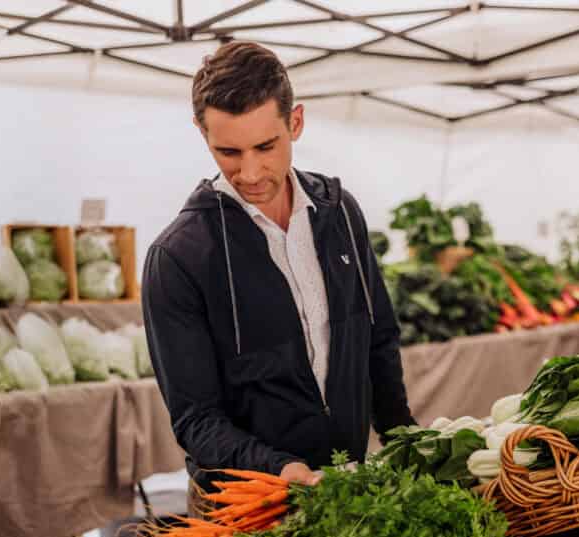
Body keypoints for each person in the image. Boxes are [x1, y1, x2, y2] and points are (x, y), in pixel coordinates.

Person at [142, 41, 415, 504]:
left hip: (343, 491)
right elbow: (196, 419)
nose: (249, 173)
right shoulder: (177, 258)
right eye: (228, 152)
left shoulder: (341, 214)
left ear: (296, 122)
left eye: (266, 147)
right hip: (245, 507)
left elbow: (378, 341)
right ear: (200, 132)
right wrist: (284, 471)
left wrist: (406, 443)